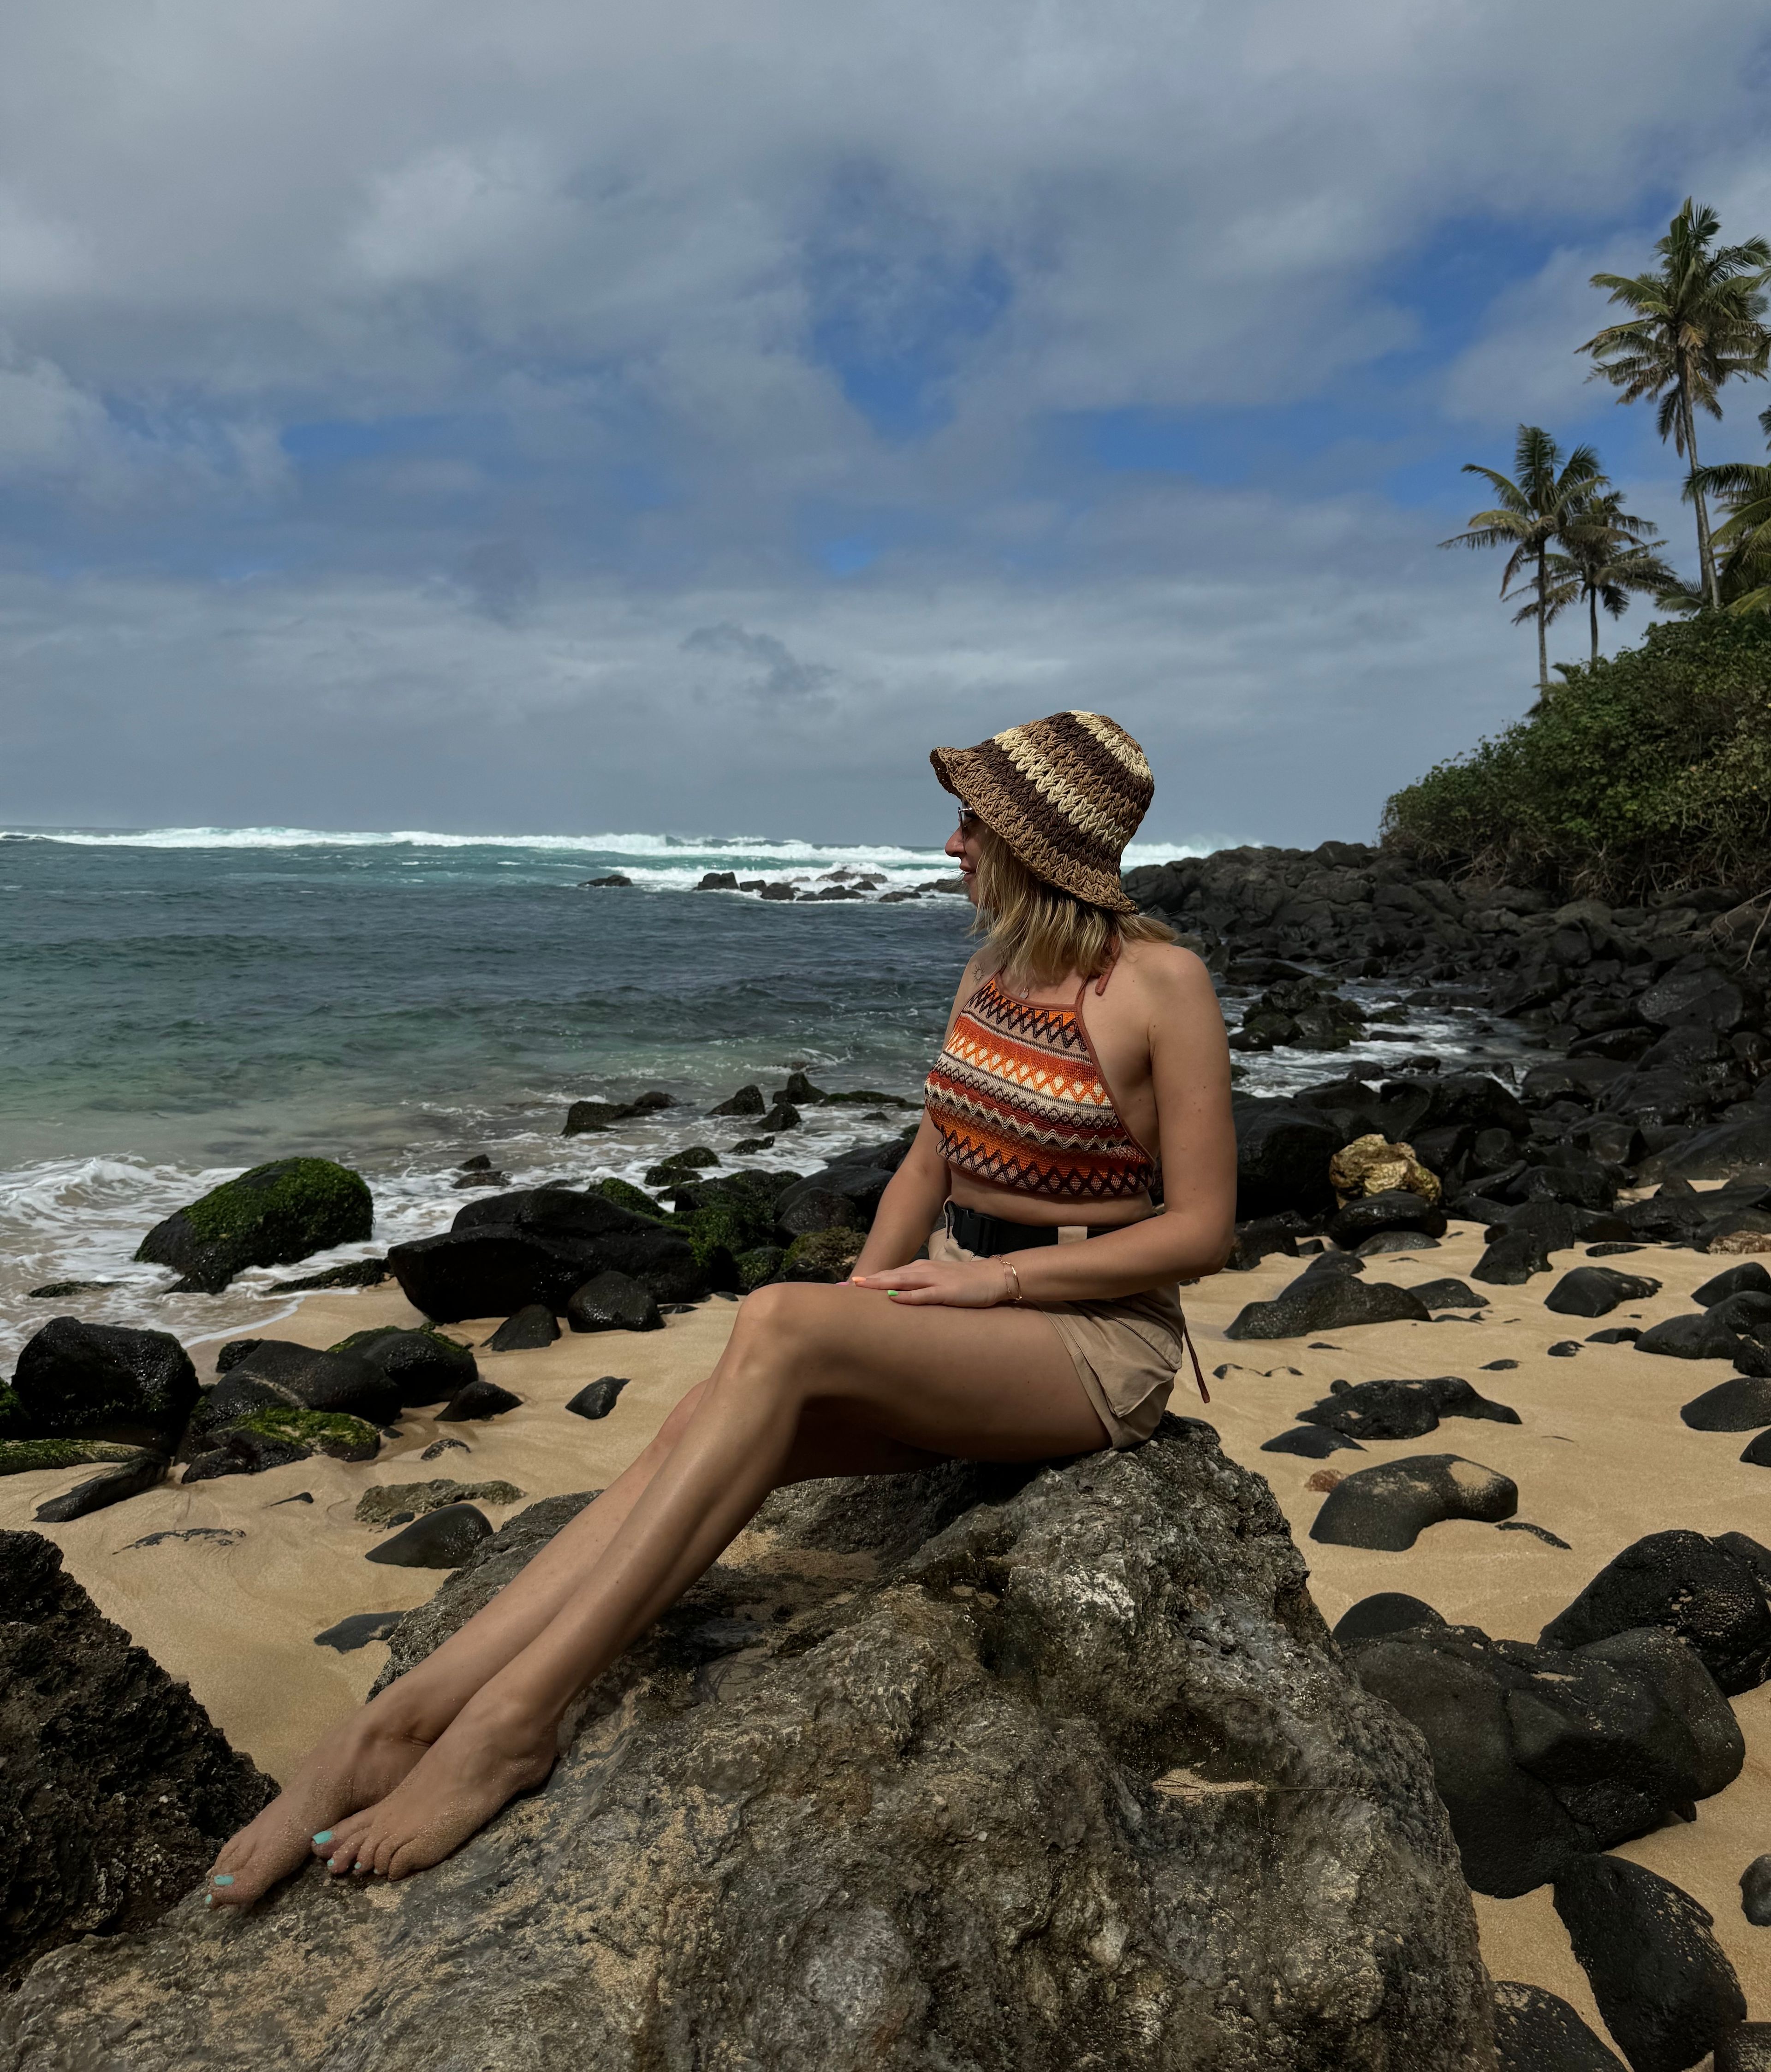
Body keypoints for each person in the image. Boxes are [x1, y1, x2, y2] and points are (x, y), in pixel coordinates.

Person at [206, 709, 1236, 1904]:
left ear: (1036, 841)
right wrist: (866, 1315)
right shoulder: (990, 968)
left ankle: (516, 1727)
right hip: (970, 1327)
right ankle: (400, 1721)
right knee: (718, 1407)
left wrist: (987, 1281)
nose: (952, 842)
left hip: (1098, 1342)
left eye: (974, 821)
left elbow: (1202, 1230)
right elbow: (930, 1159)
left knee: (774, 1332)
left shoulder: (1163, 984)